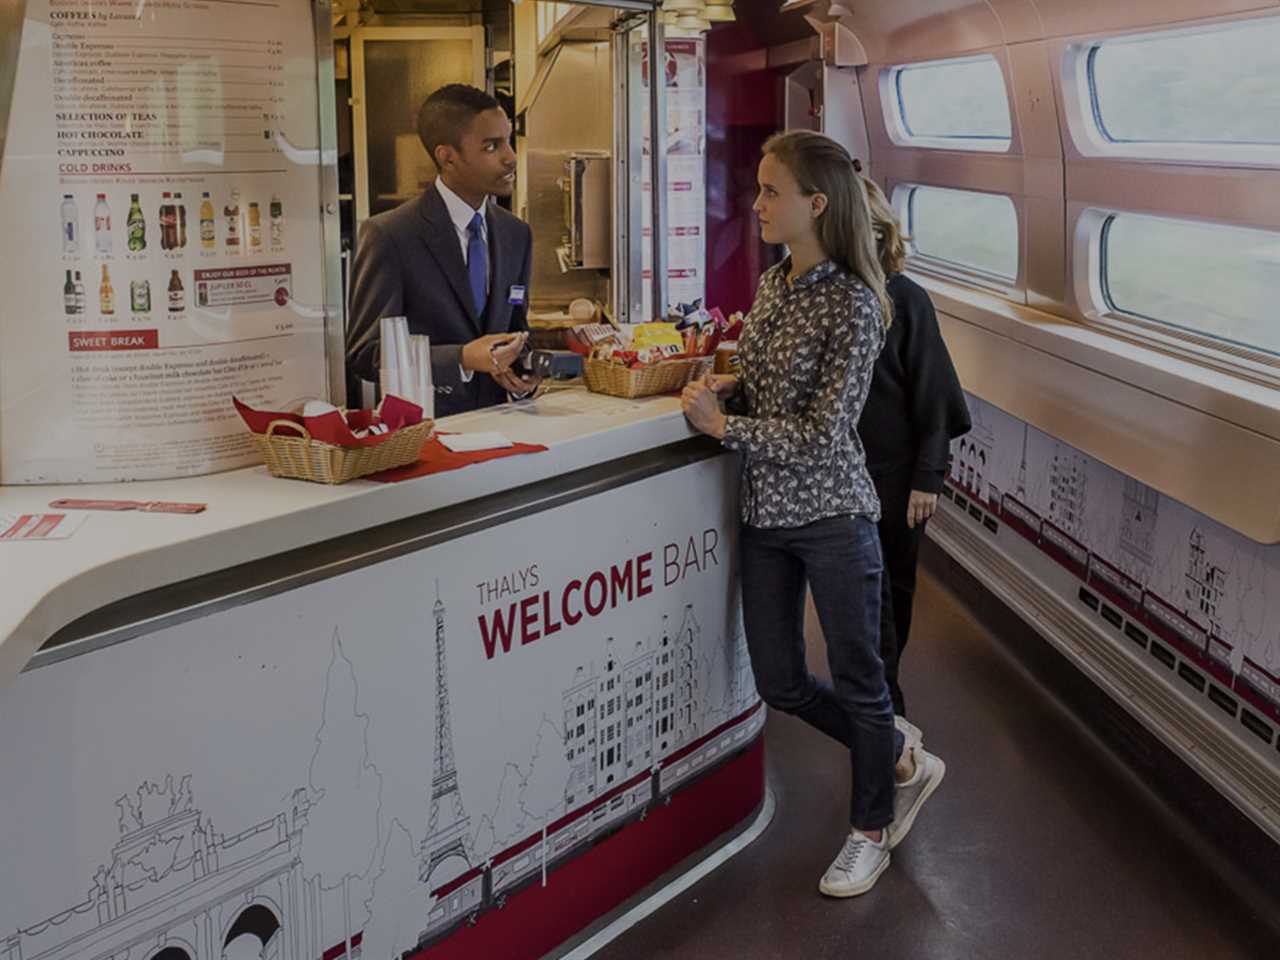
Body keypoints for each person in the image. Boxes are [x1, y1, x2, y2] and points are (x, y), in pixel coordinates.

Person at [680, 131, 945, 898]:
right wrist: (728, 389)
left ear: (815, 204)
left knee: (861, 681)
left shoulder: (862, 303)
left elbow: (825, 432)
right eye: (759, 189)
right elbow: (769, 386)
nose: (755, 203)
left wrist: (725, 429)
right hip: (768, 516)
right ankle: (899, 750)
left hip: (832, 518)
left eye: (770, 191)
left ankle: (870, 831)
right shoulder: (773, 286)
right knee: (781, 681)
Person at [346, 84, 539, 416]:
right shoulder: (391, 235)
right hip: (424, 433)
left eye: (508, 141)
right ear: (447, 156)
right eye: (492, 146)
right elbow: (366, 353)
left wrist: (524, 368)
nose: (510, 157)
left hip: (502, 427)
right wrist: (461, 358)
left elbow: (516, 326)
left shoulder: (515, 233)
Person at [858, 176, 971, 722]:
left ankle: (888, 704)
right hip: (843, 475)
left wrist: (929, 477)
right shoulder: (823, 295)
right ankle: (878, 701)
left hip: (897, 476)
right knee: (862, 597)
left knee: (891, 590)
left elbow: (936, 396)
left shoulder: (905, 299)